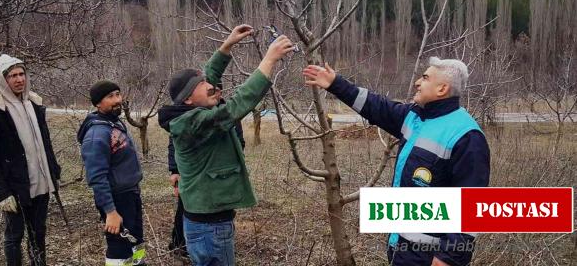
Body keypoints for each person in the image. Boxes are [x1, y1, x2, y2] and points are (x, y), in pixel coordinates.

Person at [303, 57, 490, 266]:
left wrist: (448, 257)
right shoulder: (415, 117)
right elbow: (377, 107)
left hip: (429, 258)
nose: (418, 82)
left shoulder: (466, 136)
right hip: (401, 249)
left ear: (442, 88)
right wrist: (336, 83)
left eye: (425, 78)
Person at [158, 24, 294, 266]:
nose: (210, 85)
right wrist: (270, 59)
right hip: (210, 226)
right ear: (189, 98)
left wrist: (227, 45)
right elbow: (237, 105)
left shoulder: (188, 111)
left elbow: (210, 76)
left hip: (206, 220)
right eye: (201, 85)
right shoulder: (194, 123)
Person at [0, 54, 61, 266]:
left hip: (41, 183)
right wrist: (1, 193)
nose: (19, 79)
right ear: (2, 79)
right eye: (12, 75)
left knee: (38, 234)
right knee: (14, 237)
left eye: (21, 74)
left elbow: (45, 142)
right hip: (14, 188)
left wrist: (53, 170)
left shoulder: (34, 102)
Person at [166, 94, 246, 263]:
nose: (216, 94)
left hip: (217, 182)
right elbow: (174, 144)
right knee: (186, 209)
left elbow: (239, 140)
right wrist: (174, 170)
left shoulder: (227, 116)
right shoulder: (190, 119)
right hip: (193, 181)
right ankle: (179, 244)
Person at [77, 80, 146, 266]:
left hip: (130, 194)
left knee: (136, 242)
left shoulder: (113, 123)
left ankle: (138, 264)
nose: (117, 100)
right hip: (116, 199)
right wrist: (110, 212)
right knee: (119, 248)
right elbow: (97, 178)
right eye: (110, 96)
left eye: (118, 94)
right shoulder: (97, 134)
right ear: (98, 103)